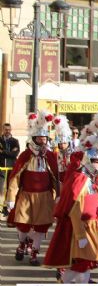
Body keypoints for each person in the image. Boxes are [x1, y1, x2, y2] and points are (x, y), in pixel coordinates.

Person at [43, 147, 98, 283]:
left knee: (86, 265)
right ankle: (64, 285)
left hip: (95, 226)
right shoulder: (79, 179)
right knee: (80, 264)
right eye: (95, 161)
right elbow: (74, 209)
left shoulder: (96, 180)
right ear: (87, 161)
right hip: (81, 228)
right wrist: (80, 235)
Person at [6, 111, 59, 266]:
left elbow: (55, 178)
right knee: (23, 224)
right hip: (26, 196)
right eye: (40, 138)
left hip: (45, 197)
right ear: (34, 139)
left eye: (45, 138)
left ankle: (34, 252)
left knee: (42, 227)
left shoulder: (50, 156)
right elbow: (15, 177)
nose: (43, 141)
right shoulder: (25, 155)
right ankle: (22, 244)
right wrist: (10, 198)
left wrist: (58, 196)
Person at [0, 123, 20, 211]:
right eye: (6, 129)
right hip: (1, 167)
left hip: (12, 166)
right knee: (0, 188)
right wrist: (10, 152)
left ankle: (7, 208)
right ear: (3, 130)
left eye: (9, 129)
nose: (7, 131)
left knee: (10, 187)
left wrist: (3, 152)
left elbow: (15, 154)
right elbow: (12, 153)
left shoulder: (15, 141)